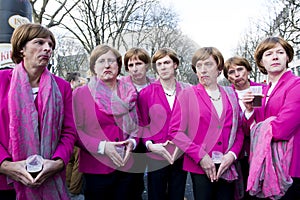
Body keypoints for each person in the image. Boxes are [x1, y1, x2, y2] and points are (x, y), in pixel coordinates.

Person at [0, 23, 76, 199]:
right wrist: (5, 165)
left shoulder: (62, 87)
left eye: (50, 45)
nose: (47, 48)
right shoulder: (2, 81)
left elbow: (69, 131)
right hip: (5, 182)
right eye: (39, 43)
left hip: (48, 178)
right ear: (21, 49)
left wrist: (57, 162)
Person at [168, 47, 244, 200]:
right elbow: (175, 131)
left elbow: (239, 130)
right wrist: (200, 156)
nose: (203, 70)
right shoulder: (187, 95)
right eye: (199, 66)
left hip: (227, 165)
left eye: (208, 64)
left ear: (219, 68)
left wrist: (232, 155)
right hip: (200, 166)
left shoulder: (231, 94)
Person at [72, 44, 139, 200]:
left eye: (111, 61)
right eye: (101, 61)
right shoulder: (80, 94)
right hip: (96, 168)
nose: (107, 65)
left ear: (118, 66)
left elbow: (138, 126)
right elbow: (74, 131)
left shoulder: (130, 92)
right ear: (94, 67)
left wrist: (133, 142)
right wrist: (102, 147)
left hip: (127, 166)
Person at [242, 36, 300, 199]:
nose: (275, 57)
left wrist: (260, 127)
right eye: (268, 54)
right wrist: (249, 111)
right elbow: (249, 130)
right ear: (261, 62)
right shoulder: (262, 91)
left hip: (291, 167)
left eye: (280, 52)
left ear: (287, 57)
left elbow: (282, 129)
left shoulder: (296, 85)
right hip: (266, 167)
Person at [138, 48, 190, 200]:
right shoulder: (146, 93)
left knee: (177, 195)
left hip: (180, 154)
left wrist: (184, 144)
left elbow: (194, 123)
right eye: (159, 64)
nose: (163, 67)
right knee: (156, 196)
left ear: (175, 65)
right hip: (156, 155)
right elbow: (142, 124)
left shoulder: (188, 91)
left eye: (167, 62)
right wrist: (149, 145)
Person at [224, 56, 263, 199]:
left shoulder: (261, 89)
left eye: (240, 69)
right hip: (237, 152)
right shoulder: (227, 94)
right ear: (228, 77)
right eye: (231, 72)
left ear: (248, 70)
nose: (237, 74)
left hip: (260, 149)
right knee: (239, 191)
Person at [120, 47, 155, 199]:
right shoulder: (121, 85)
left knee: (155, 181)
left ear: (146, 65)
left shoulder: (155, 85)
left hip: (152, 137)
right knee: (131, 183)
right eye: (131, 65)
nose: (135, 69)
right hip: (130, 138)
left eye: (138, 63)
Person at [65, 72, 85, 200]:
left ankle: (67, 186)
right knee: (79, 162)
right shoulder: (76, 95)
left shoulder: (63, 93)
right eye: (78, 81)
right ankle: (74, 191)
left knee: (70, 161)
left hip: (67, 135)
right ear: (72, 82)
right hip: (78, 133)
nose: (81, 83)